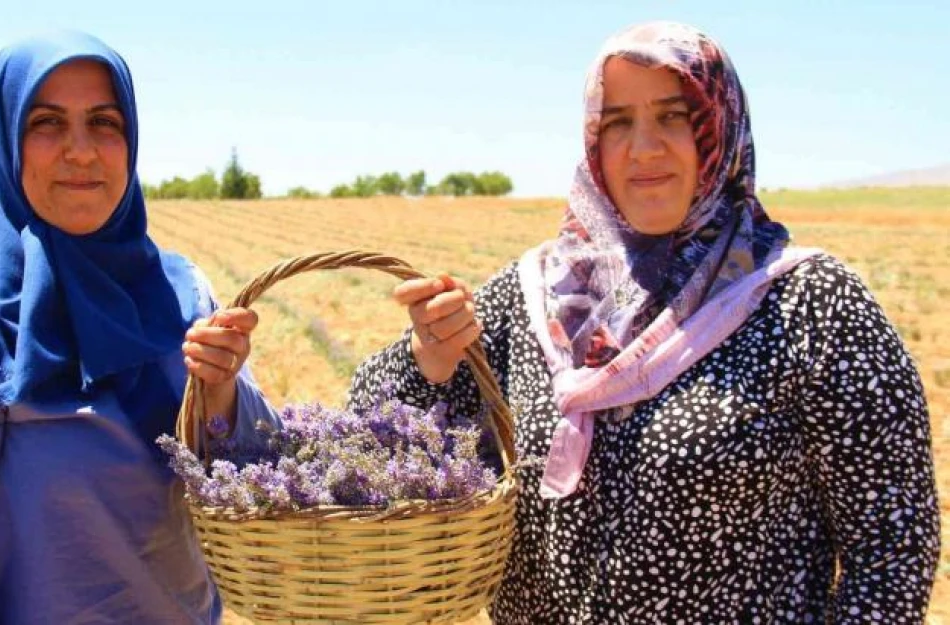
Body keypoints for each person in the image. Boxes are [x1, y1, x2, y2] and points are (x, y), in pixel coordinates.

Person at [349, 21, 939, 623]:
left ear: (719, 127)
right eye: (618, 122)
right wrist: (430, 355)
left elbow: (891, 547)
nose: (644, 149)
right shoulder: (530, 298)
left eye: (673, 116)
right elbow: (370, 436)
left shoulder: (810, 305)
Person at [0, 31, 278, 623]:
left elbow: (262, 469)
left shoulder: (182, 293)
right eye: (46, 123)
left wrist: (224, 394)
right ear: (6, 142)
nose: (81, 150)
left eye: (104, 122)